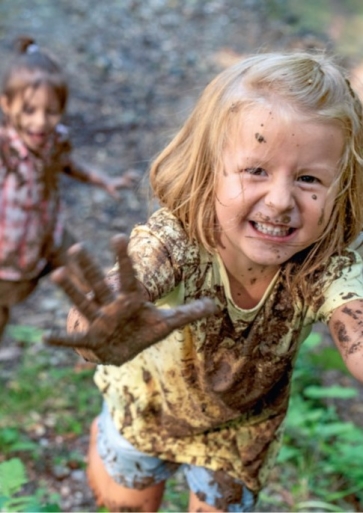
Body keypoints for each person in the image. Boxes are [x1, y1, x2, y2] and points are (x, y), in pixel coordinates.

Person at [47, 51, 363, 512]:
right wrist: (99, 333)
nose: (279, 201)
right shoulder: (176, 242)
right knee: (124, 506)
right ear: (209, 169)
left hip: (241, 431)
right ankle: (104, 438)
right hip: (146, 406)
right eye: (256, 170)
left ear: (342, 189)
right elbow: (105, 309)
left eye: (309, 178)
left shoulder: (321, 263)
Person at [0, 37, 137, 340]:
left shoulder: (55, 139)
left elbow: (66, 163)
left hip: (50, 234)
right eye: (29, 110)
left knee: (91, 280)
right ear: (6, 105)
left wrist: (103, 179)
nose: (40, 122)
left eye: (51, 111)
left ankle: (108, 334)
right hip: (7, 253)